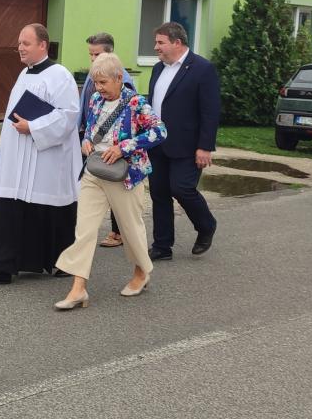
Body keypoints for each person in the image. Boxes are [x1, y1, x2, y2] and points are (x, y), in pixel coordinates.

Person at [0, 23, 81, 287]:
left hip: (46, 159)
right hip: (17, 158)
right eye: (19, 43)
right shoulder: (24, 74)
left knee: (47, 211)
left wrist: (33, 127)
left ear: (43, 45)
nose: (19, 48)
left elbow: (68, 116)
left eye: (25, 43)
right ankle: (1, 267)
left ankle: (61, 261)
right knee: (7, 208)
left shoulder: (60, 75)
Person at [54, 53, 166, 309]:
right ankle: (78, 288)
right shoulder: (95, 99)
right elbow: (91, 127)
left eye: (103, 82)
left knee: (130, 229)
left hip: (124, 175)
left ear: (118, 78)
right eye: (96, 82)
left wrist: (124, 147)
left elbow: (159, 131)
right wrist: (87, 141)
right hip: (94, 172)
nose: (99, 88)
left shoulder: (136, 103)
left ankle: (141, 272)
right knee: (84, 231)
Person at [147, 22, 220, 261]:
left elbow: (210, 111)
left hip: (188, 145)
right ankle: (162, 246)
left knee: (182, 188)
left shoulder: (202, 69)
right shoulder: (158, 68)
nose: (156, 47)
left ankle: (206, 225)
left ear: (177, 42)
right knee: (159, 193)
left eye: (160, 42)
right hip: (157, 143)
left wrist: (205, 146)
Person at [80, 33, 134, 249]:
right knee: (89, 210)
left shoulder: (126, 86)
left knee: (118, 195)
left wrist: (122, 147)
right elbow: (90, 112)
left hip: (114, 152)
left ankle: (121, 233)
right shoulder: (94, 76)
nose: (93, 59)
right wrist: (86, 135)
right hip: (94, 146)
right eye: (91, 54)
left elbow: (138, 126)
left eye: (97, 54)